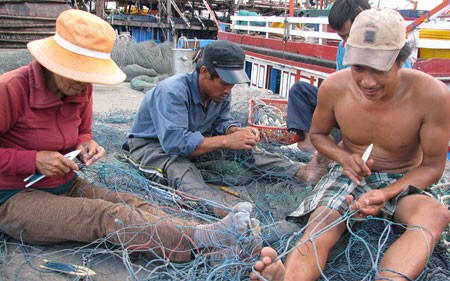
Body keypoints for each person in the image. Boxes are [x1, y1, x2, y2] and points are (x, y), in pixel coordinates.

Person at [0, 9, 261, 264]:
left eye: (89, 74)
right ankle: (205, 240)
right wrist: (33, 160)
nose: (84, 83)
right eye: (77, 73)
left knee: (132, 203)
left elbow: (82, 130)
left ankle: (210, 242)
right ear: (53, 61)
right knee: (105, 216)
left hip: (64, 184)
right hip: (12, 197)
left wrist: (86, 143)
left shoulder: (81, 88)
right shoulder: (11, 89)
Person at [251, 8, 450, 281]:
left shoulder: (432, 96)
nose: (367, 81)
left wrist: (386, 193)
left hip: (404, 180)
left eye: (379, 70)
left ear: (400, 59)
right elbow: (319, 136)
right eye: (358, 68)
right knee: (322, 221)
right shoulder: (333, 87)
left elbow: (432, 166)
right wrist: (344, 158)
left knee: (434, 215)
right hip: (350, 176)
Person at [123, 40, 324, 214]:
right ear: (204, 72)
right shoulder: (172, 92)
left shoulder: (220, 92)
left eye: (232, 84)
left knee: (246, 151)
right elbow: (175, 144)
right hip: (152, 146)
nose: (229, 90)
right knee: (178, 167)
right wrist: (227, 141)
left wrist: (235, 132)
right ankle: (215, 208)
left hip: (193, 139)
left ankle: (300, 172)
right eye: (225, 83)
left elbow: (221, 122)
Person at [286, 0, 412, 152]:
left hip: (378, 109)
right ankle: (308, 141)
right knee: (300, 90)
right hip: (351, 102)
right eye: (343, 37)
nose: (347, 41)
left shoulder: (391, 51)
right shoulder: (343, 47)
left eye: (349, 35)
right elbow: (341, 81)